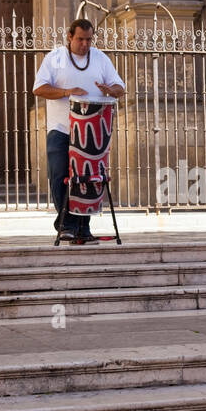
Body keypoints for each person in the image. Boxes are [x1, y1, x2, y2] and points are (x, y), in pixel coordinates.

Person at [33, 18, 125, 243]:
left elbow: (120, 88)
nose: (85, 44)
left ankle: (83, 228)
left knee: (88, 178)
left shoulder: (100, 59)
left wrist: (109, 90)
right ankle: (66, 224)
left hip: (91, 132)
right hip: (61, 129)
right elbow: (39, 88)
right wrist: (67, 92)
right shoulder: (54, 58)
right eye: (80, 39)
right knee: (60, 176)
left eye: (89, 39)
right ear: (70, 37)